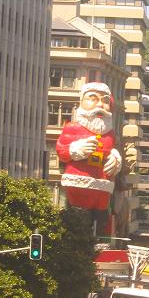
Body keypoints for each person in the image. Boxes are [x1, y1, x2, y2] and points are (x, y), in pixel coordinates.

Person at [56, 82, 122, 233]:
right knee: (79, 221)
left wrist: (115, 157)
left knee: (101, 219)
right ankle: (79, 243)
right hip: (79, 185)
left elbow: (112, 149)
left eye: (105, 101)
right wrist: (76, 149)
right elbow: (61, 151)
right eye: (93, 98)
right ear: (81, 102)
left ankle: (98, 243)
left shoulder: (110, 133)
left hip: (103, 185)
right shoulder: (72, 128)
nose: (100, 105)